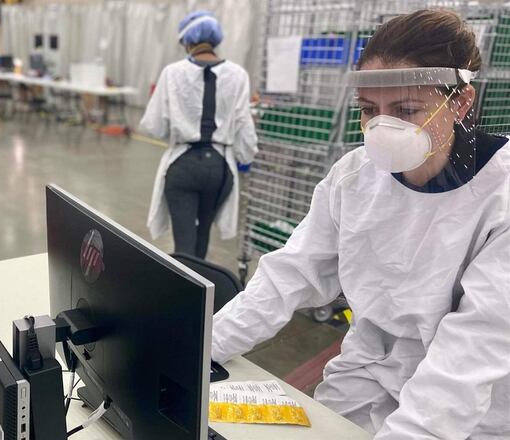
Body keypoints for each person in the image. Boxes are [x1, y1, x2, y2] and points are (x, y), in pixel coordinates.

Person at [211, 9, 510, 439]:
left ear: (461, 102)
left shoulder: (500, 194)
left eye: (406, 110)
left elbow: (474, 350)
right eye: (369, 110)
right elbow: (290, 274)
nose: (382, 128)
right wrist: (205, 345)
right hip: (364, 379)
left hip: (468, 410)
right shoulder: (355, 176)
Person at [141, 11, 258, 259]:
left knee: (184, 244)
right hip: (219, 168)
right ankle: (202, 292)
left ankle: (184, 293)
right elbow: (244, 130)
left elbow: (153, 125)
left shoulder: (172, 73)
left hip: (183, 164)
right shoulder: (238, 75)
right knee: (202, 237)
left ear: (187, 41)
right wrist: (243, 155)